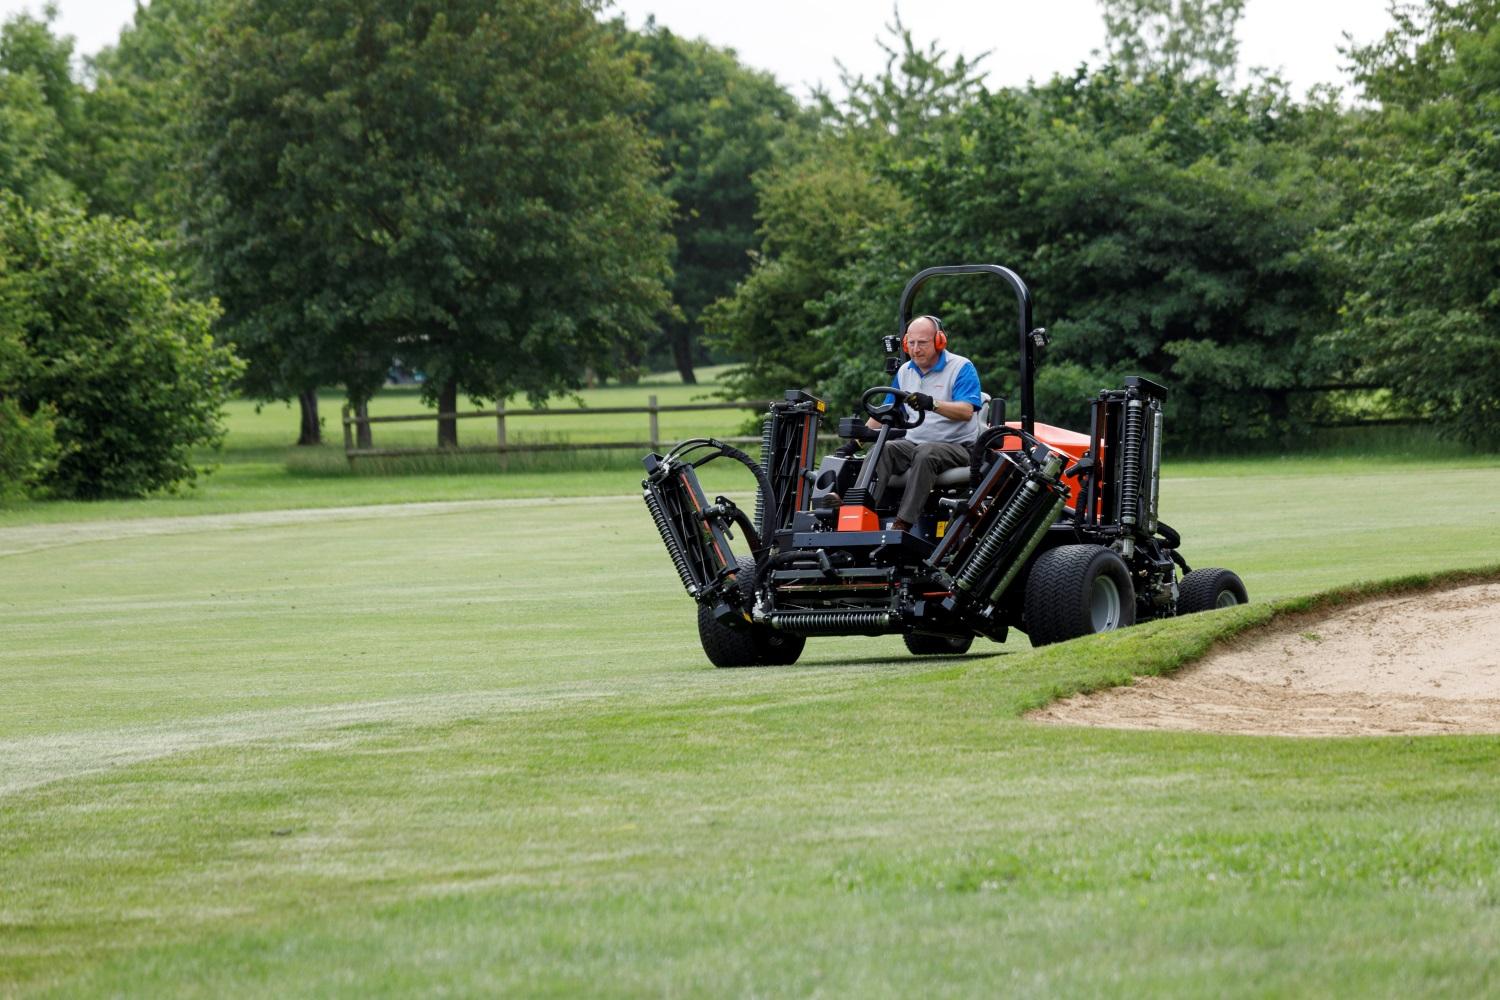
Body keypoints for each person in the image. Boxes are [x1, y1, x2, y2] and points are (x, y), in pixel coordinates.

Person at [845, 315, 983, 533]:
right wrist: (855, 442)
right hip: (914, 443)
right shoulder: (905, 371)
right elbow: (885, 413)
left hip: (958, 447)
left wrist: (932, 404)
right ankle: (856, 516)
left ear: (939, 341)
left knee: (926, 453)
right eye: (911, 343)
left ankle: (903, 524)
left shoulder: (961, 367)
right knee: (883, 449)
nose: (916, 349)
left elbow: (966, 411)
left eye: (923, 343)